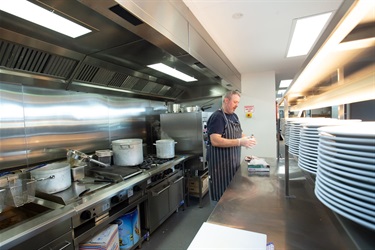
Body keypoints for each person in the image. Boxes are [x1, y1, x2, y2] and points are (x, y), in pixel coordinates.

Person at [206, 90, 256, 202]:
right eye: (235, 102)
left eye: (238, 102)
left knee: (232, 195)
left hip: (232, 164)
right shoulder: (217, 117)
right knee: (221, 198)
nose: (237, 105)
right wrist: (239, 142)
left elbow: (239, 133)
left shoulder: (234, 116)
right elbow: (215, 140)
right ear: (226, 100)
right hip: (219, 167)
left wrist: (248, 139)